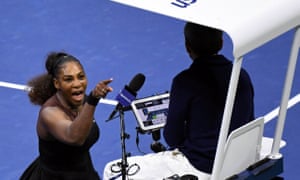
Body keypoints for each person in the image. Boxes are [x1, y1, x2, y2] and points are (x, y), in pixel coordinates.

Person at [103, 22, 254, 179]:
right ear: (221, 43)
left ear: (187, 47)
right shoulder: (242, 75)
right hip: (237, 162)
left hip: (201, 167)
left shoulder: (185, 81)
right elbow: (248, 120)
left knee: (112, 171)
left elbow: (172, 137)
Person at [20, 51, 113, 180]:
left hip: (84, 174)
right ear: (57, 83)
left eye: (81, 77)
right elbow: (74, 137)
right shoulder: (49, 113)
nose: (77, 84)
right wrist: (92, 101)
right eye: (68, 79)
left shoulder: (83, 101)